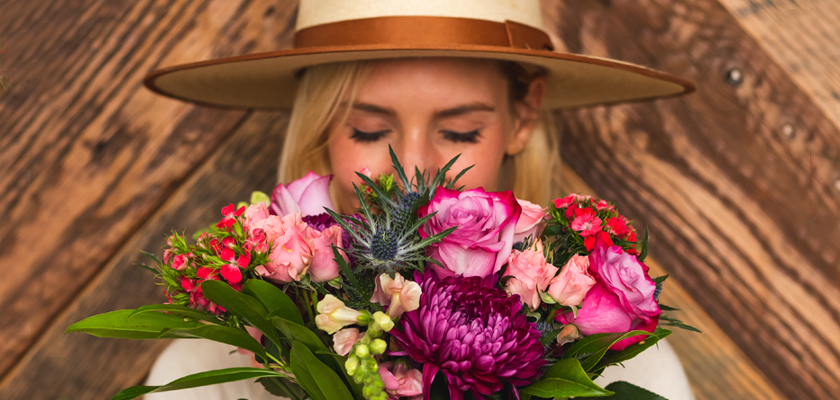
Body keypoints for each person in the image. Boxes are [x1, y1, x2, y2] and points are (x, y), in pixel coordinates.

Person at [143, 0, 696, 399]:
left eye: (458, 134)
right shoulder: (213, 368)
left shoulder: (626, 373)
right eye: (365, 130)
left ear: (522, 118)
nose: (413, 174)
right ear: (321, 126)